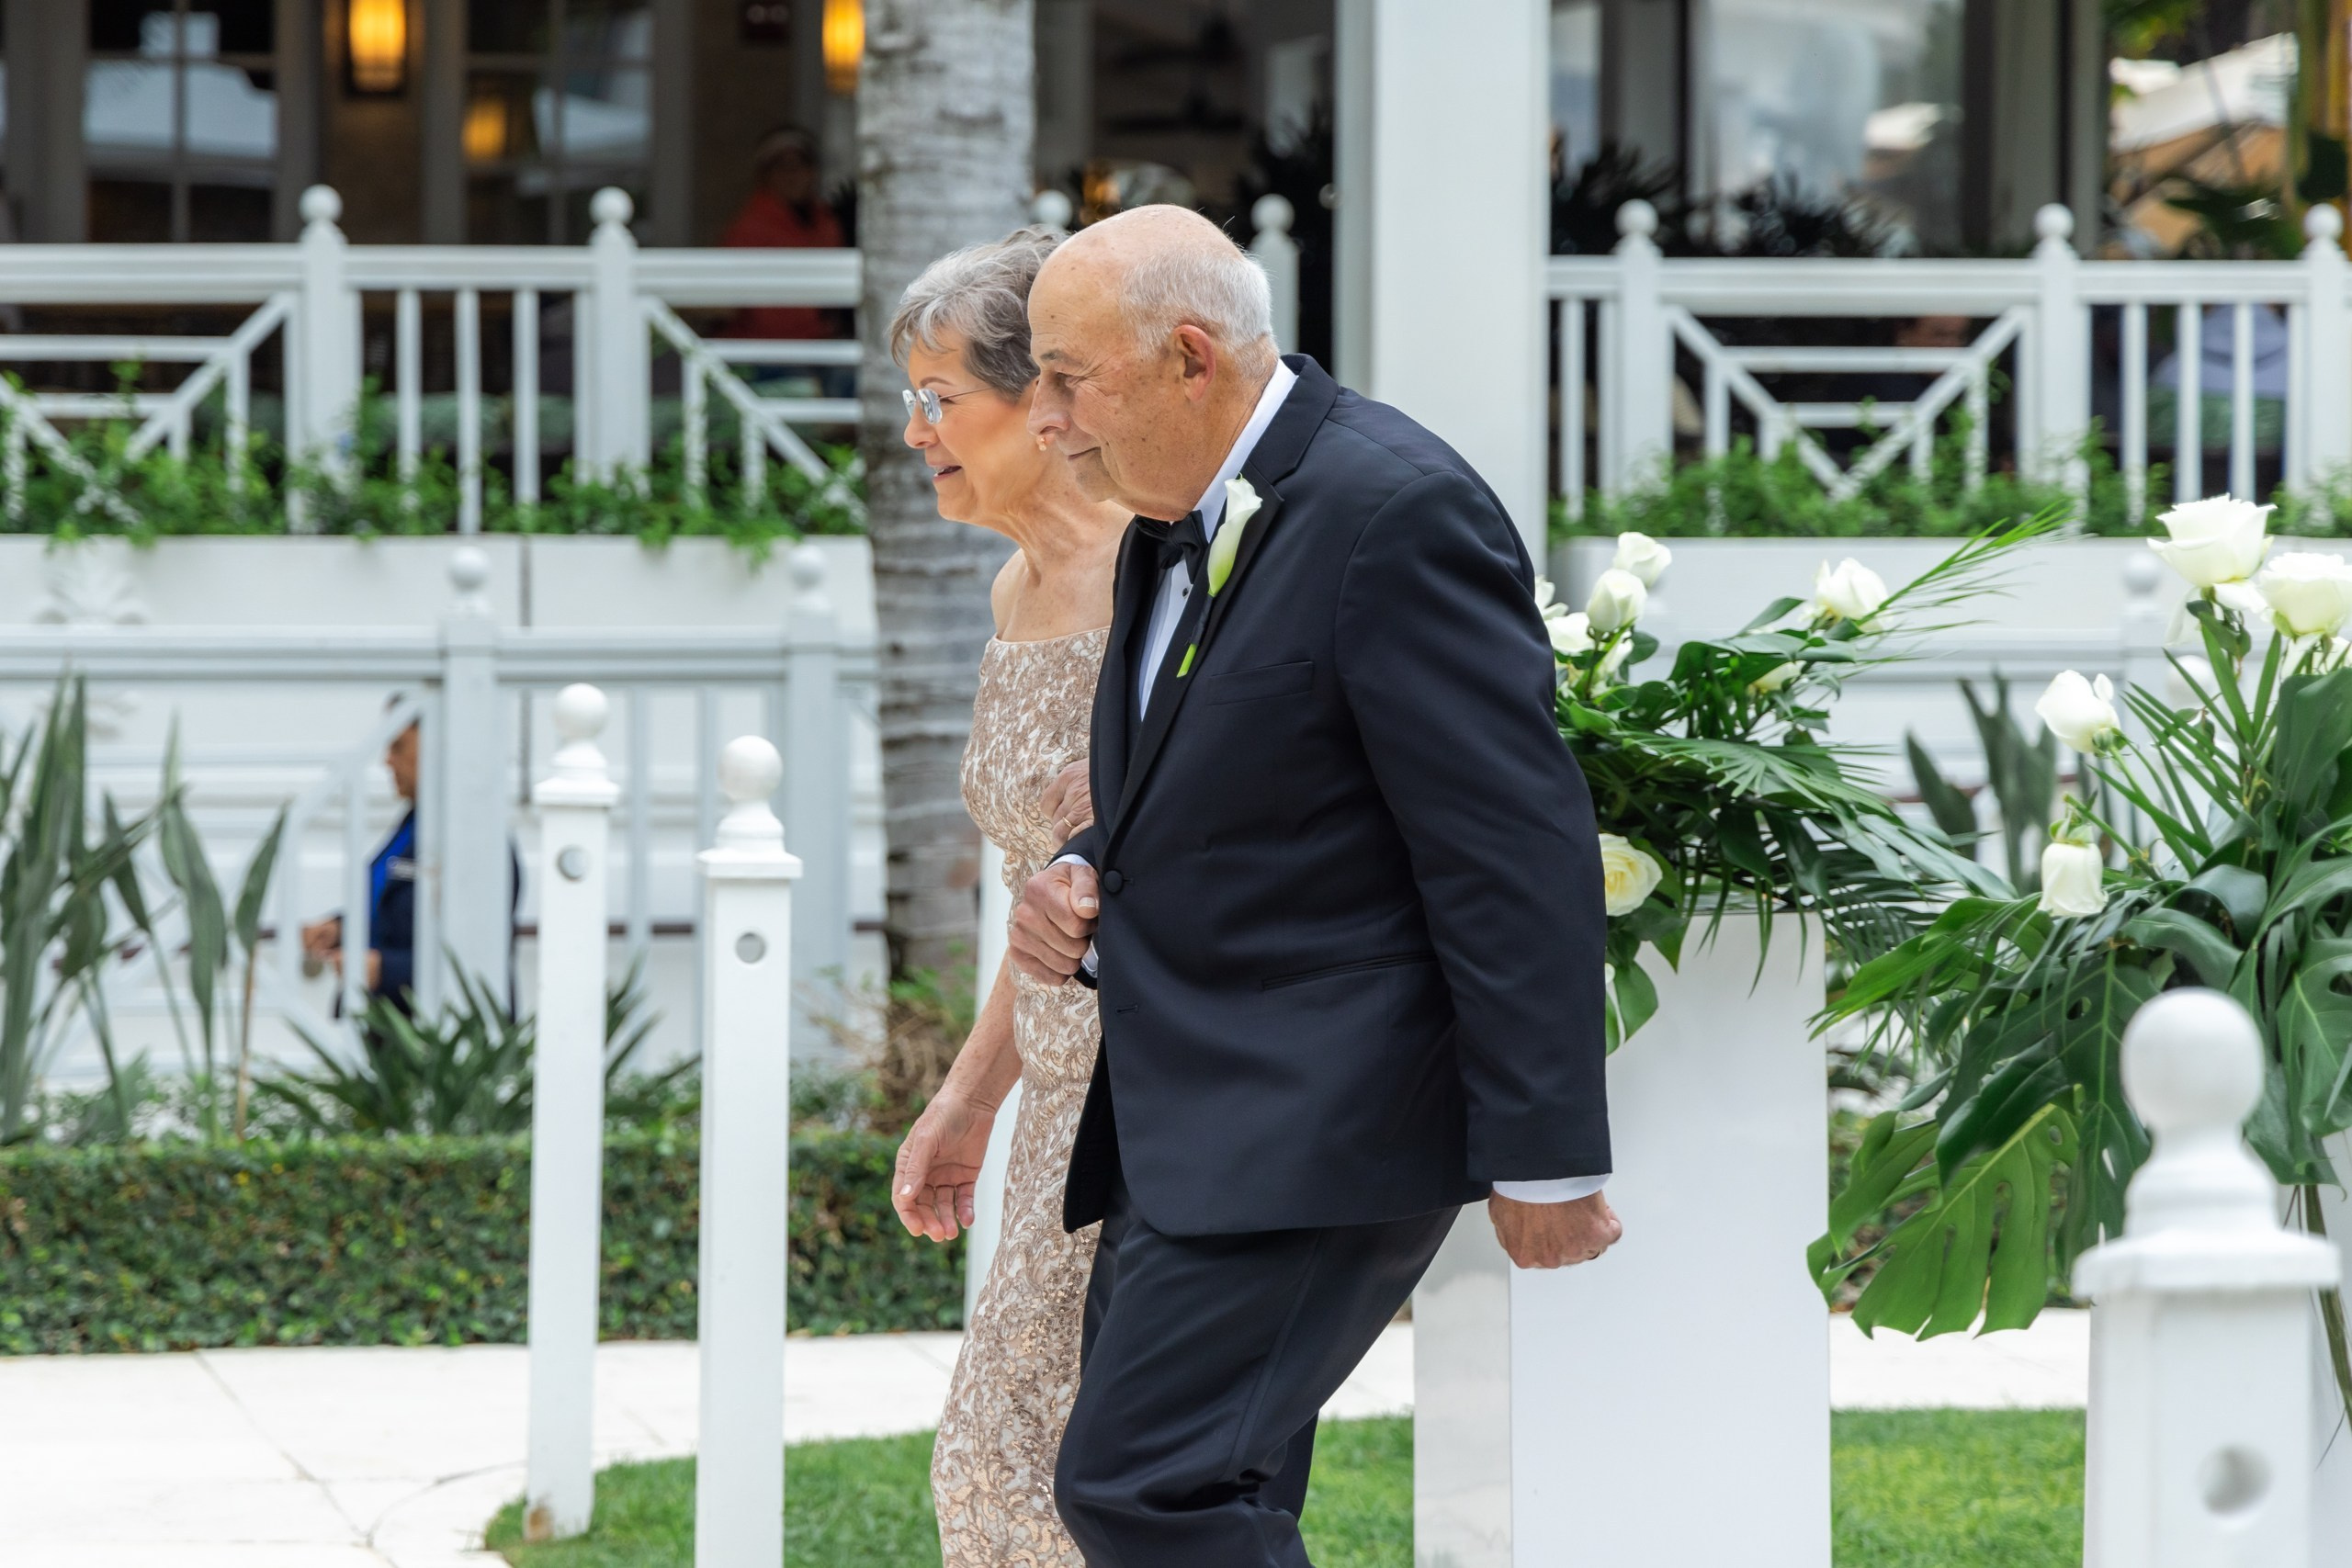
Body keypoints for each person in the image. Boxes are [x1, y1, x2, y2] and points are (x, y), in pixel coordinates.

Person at [1010, 204, 1622, 1564]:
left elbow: (1510, 846)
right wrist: (1079, 867)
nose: (1045, 419)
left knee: (1141, 1487)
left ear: (1189, 357)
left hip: (1322, 1115)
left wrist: (1547, 1149)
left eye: (1067, 376)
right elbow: (1228, 784)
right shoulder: (1165, 523)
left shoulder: (1393, 508)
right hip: (1197, 1117)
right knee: (1213, 1490)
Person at [881, 226, 1131, 1567]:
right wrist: (970, 1098)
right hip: (1055, 1098)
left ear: (1042, 402)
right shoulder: (1010, 584)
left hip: (1152, 1095)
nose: (915, 429)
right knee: (1017, 1467)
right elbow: (1040, 906)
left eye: (938, 398)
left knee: (1030, 1467)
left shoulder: (1156, 574)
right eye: (909, 400)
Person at [301, 718, 424, 1009]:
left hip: (433, 1039)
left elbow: (477, 952)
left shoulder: (475, 840)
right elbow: (394, 910)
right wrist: (342, 929)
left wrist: (386, 969)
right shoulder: (415, 823)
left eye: (398, 746)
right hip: (390, 1031)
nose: (387, 760)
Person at [719, 125, 846, 344]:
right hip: (766, 347)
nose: (792, 175)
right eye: (782, 167)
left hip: (822, 343)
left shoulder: (827, 222)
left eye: (801, 166)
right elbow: (725, 300)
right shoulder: (749, 228)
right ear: (765, 175)